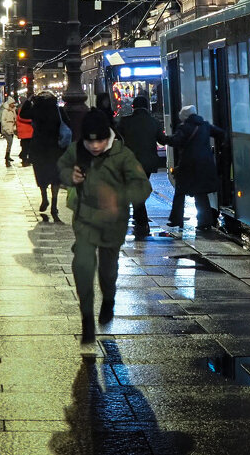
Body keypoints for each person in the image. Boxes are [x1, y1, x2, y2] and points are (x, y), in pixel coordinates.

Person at [58, 107, 153, 345]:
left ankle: (109, 299)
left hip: (113, 223)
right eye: (90, 142)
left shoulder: (123, 155)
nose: (95, 147)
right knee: (82, 266)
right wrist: (71, 176)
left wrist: (118, 197)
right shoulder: (77, 150)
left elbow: (143, 187)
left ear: (107, 136)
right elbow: (62, 166)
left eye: (99, 141)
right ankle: (87, 319)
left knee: (108, 272)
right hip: (85, 221)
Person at [116, 94, 169, 239]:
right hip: (148, 163)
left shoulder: (125, 122)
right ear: (147, 106)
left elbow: (115, 135)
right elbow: (162, 140)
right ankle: (141, 220)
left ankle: (142, 221)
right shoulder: (153, 122)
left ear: (133, 106)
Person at [167, 105, 225, 231]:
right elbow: (221, 134)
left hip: (188, 165)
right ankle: (205, 222)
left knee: (180, 192)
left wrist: (164, 139)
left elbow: (175, 141)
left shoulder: (184, 127)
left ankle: (176, 219)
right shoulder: (205, 125)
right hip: (204, 165)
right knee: (201, 193)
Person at [30, 92, 69, 218]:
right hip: (55, 149)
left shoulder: (36, 111)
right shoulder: (58, 111)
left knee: (42, 176)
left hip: (39, 148)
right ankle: (54, 205)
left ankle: (44, 198)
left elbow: (25, 114)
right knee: (55, 178)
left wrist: (30, 100)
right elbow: (68, 124)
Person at [0, 95, 18, 166]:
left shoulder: (13, 110)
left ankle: (7, 155)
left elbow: (15, 119)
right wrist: (6, 129)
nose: (13, 104)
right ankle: (7, 156)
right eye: (12, 103)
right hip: (7, 129)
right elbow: (3, 121)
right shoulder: (5, 111)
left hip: (12, 128)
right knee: (10, 142)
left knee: (10, 143)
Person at [16, 95, 34, 166]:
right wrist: (31, 120)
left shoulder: (21, 109)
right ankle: (24, 159)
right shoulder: (22, 110)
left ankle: (25, 158)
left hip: (26, 132)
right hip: (25, 132)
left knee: (26, 146)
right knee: (26, 147)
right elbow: (22, 118)